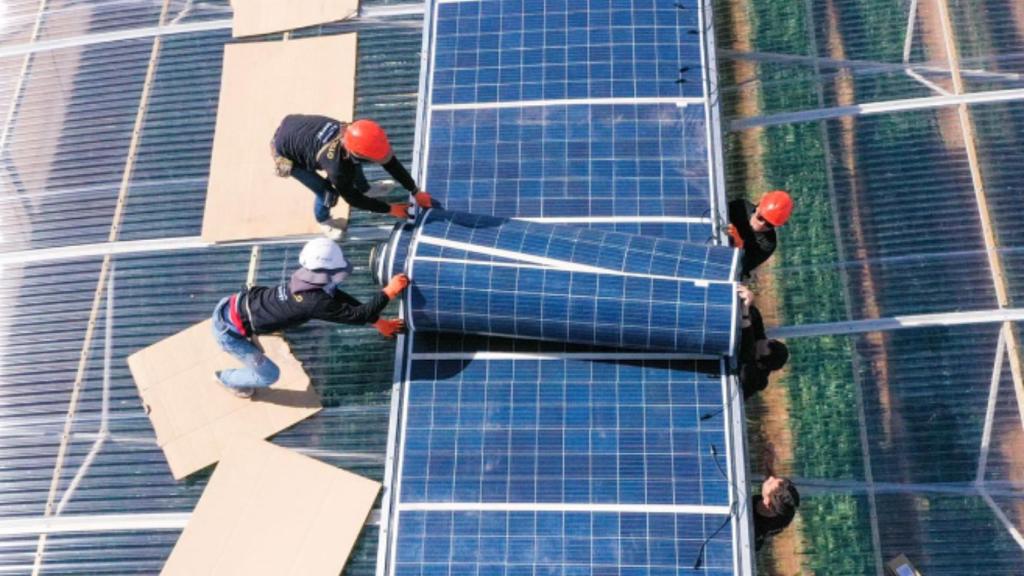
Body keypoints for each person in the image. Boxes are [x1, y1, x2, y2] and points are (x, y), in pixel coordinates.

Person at [211, 238, 410, 397]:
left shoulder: (305, 277)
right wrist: (389, 292)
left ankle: (252, 334)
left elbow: (338, 300)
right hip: (229, 332)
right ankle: (225, 379)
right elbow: (357, 315)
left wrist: (378, 322)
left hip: (235, 305)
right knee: (270, 376)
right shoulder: (313, 301)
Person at [271, 114, 433, 239]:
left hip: (295, 128)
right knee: (328, 193)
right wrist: (390, 209)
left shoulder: (357, 132)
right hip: (286, 153)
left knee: (354, 165)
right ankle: (324, 220)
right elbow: (353, 199)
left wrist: (415, 190)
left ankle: (366, 188)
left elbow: (390, 163)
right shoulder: (337, 169)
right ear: (353, 152)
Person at [737, 285, 789, 399]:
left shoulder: (756, 381)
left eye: (757, 350)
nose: (765, 341)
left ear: (760, 364)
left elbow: (746, 357)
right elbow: (753, 313)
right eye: (769, 342)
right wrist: (747, 299)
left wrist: (745, 316)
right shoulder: (760, 336)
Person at [727, 190, 793, 279]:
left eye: (769, 224)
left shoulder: (768, 244)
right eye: (760, 217)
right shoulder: (740, 207)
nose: (762, 224)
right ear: (758, 207)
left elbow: (743, 267)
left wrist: (739, 245)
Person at [753, 442, 800, 551]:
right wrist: (769, 461)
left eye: (770, 482)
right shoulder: (786, 508)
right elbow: (777, 493)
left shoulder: (751, 525)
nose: (770, 479)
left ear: (767, 503)